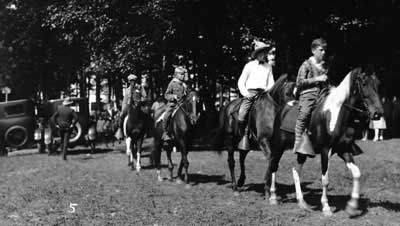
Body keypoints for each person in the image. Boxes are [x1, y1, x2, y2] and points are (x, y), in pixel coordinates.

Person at [293, 38, 329, 155]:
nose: (323, 52)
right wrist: (317, 79)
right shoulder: (306, 64)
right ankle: (297, 141)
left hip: (322, 94)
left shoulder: (324, 66)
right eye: (321, 50)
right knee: (305, 113)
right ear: (313, 50)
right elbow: (299, 82)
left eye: (324, 50)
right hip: (308, 94)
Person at [237, 40, 276, 135]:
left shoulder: (268, 67)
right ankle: (242, 134)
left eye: (264, 53)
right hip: (251, 93)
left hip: (264, 94)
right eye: (261, 53)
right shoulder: (249, 66)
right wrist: (246, 94)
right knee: (242, 112)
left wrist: (267, 90)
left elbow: (271, 82)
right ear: (257, 54)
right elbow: (241, 82)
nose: (264, 55)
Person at [162, 66, 189, 141]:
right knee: (166, 115)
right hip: (173, 105)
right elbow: (166, 95)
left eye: (183, 74)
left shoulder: (184, 85)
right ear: (177, 74)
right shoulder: (172, 83)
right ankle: (165, 133)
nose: (183, 76)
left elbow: (187, 96)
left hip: (183, 105)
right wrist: (173, 96)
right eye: (181, 74)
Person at [116, 74, 146, 139]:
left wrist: (140, 101)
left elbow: (145, 96)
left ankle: (147, 130)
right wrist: (123, 109)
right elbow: (124, 100)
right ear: (129, 81)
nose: (132, 82)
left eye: (134, 81)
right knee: (122, 115)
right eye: (131, 81)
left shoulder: (140, 87)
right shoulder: (127, 90)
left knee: (146, 114)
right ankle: (120, 130)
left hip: (139, 105)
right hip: (129, 106)